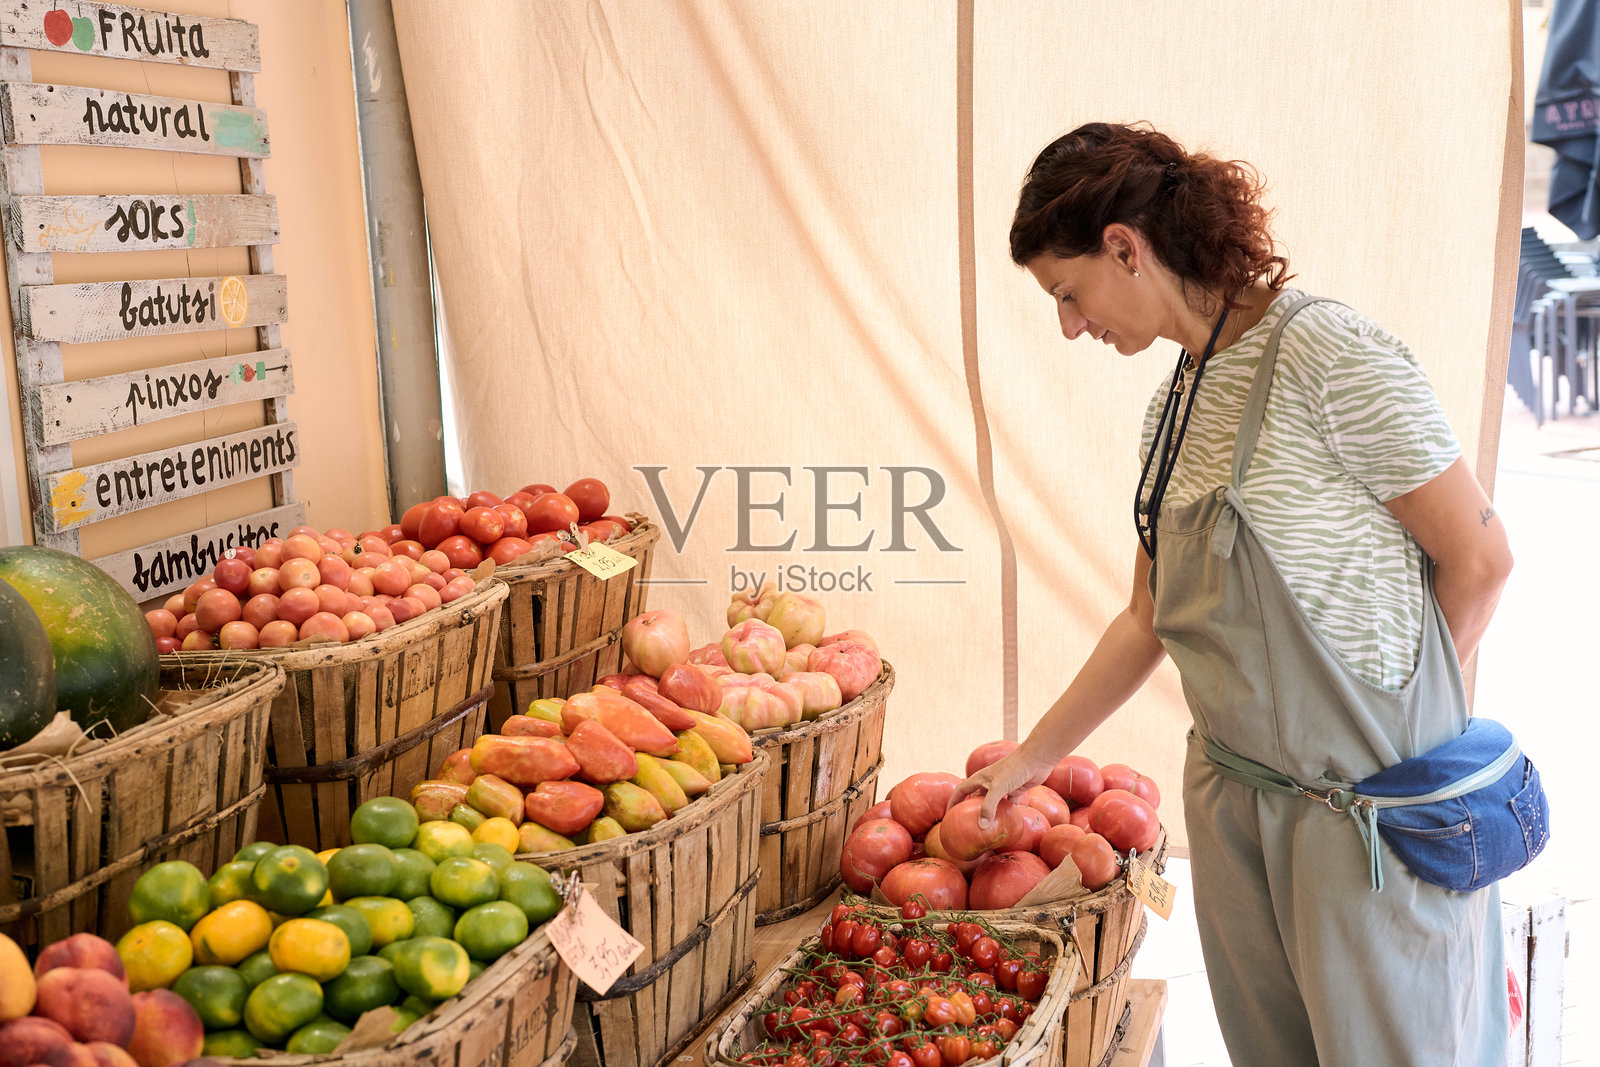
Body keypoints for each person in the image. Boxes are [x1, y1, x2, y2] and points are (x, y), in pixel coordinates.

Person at [953, 122, 1514, 1066]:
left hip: (1362, 819)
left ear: (1124, 248)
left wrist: (1400, 736)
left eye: (1066, 292)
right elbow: (1147, 618)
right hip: (1232, 804)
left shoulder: (1330, 355)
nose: (1069, 325)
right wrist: (1030, 760)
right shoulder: (1170, 409)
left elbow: (1482, 559)